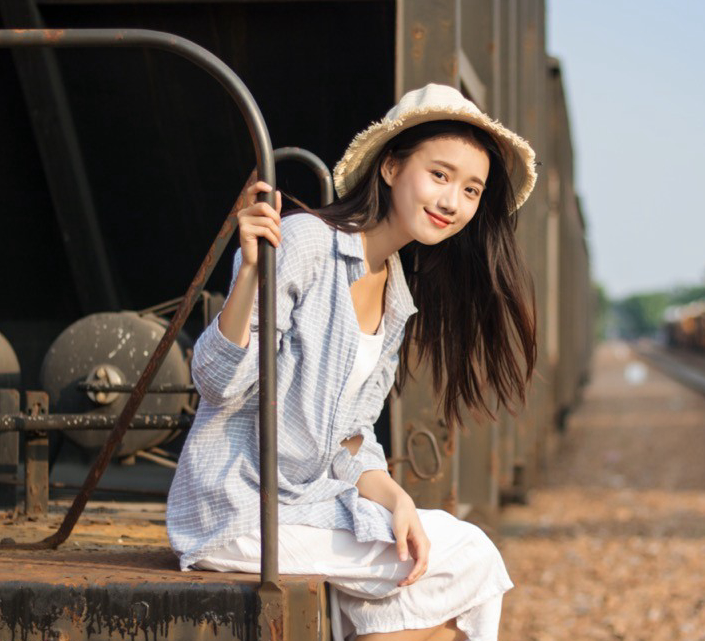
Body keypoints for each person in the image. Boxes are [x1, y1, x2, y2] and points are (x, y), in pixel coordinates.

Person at [166, 83, 539, 641]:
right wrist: (248, 276)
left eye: (470, 189)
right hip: (239, 511)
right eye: (439, 175)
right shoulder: (307, 243)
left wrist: (396, 498)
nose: (452, 202)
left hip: (307, 505)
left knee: (440, 587)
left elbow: (351, 437)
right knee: (473, 561)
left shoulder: (396, 296)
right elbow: (219, 385)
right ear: (390, 167)